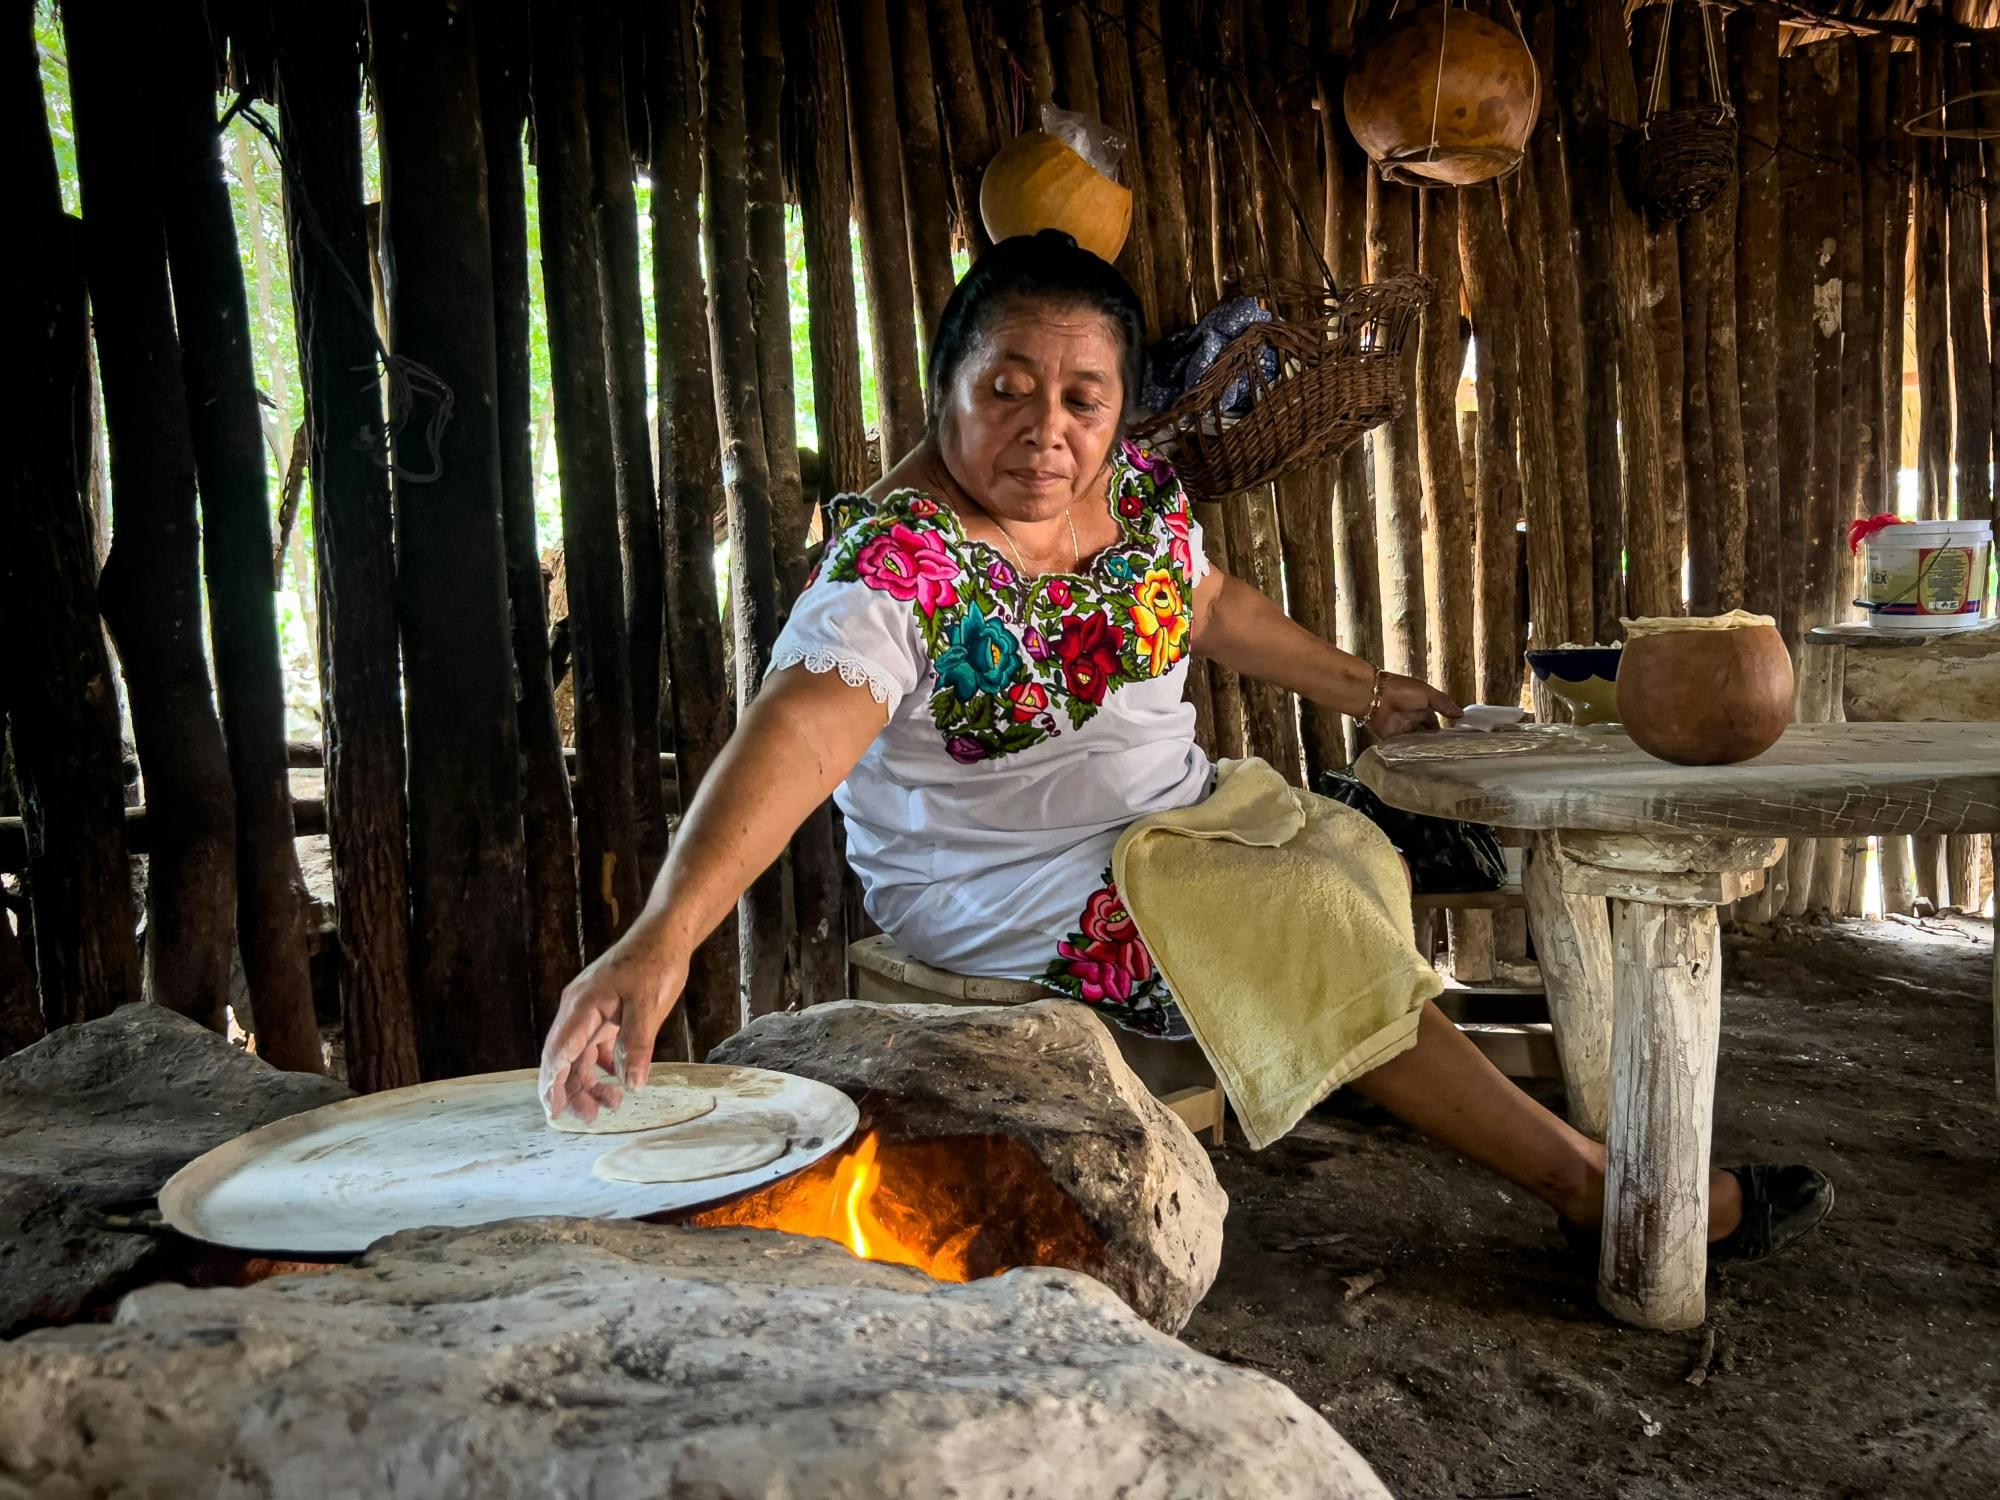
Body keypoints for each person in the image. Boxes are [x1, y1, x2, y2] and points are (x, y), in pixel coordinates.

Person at [540, 231, 1829, 1264]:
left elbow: (1210, 609)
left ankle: (1483, 1107)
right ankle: (1594, 1188)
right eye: (1005, 390)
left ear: (1120, 409)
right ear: (943, 391)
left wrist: (1369, 688)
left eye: (1080, 398)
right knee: (1305, 919)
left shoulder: (1140, 499)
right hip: (1008, 892)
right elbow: (798, 736)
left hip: (1183, 823)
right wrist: (663, 938)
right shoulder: (894, 571)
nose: (1046, 428)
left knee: (1350, 855)